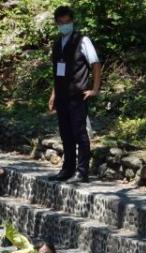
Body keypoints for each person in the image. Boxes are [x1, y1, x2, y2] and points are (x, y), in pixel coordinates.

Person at [48, 6, 100, 183]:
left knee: (79, 133)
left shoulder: (82, 40)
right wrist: (53, 94)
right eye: (61, 22)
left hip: (78, 95)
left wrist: (95, 88)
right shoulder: (57, 44)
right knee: (65, 133)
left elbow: (95, 64)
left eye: (67, 21)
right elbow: (57, 72)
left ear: (72, 21)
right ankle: (67, 169)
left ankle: (82, 171)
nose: (65, 25)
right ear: (57, 23)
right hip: (62, 96)